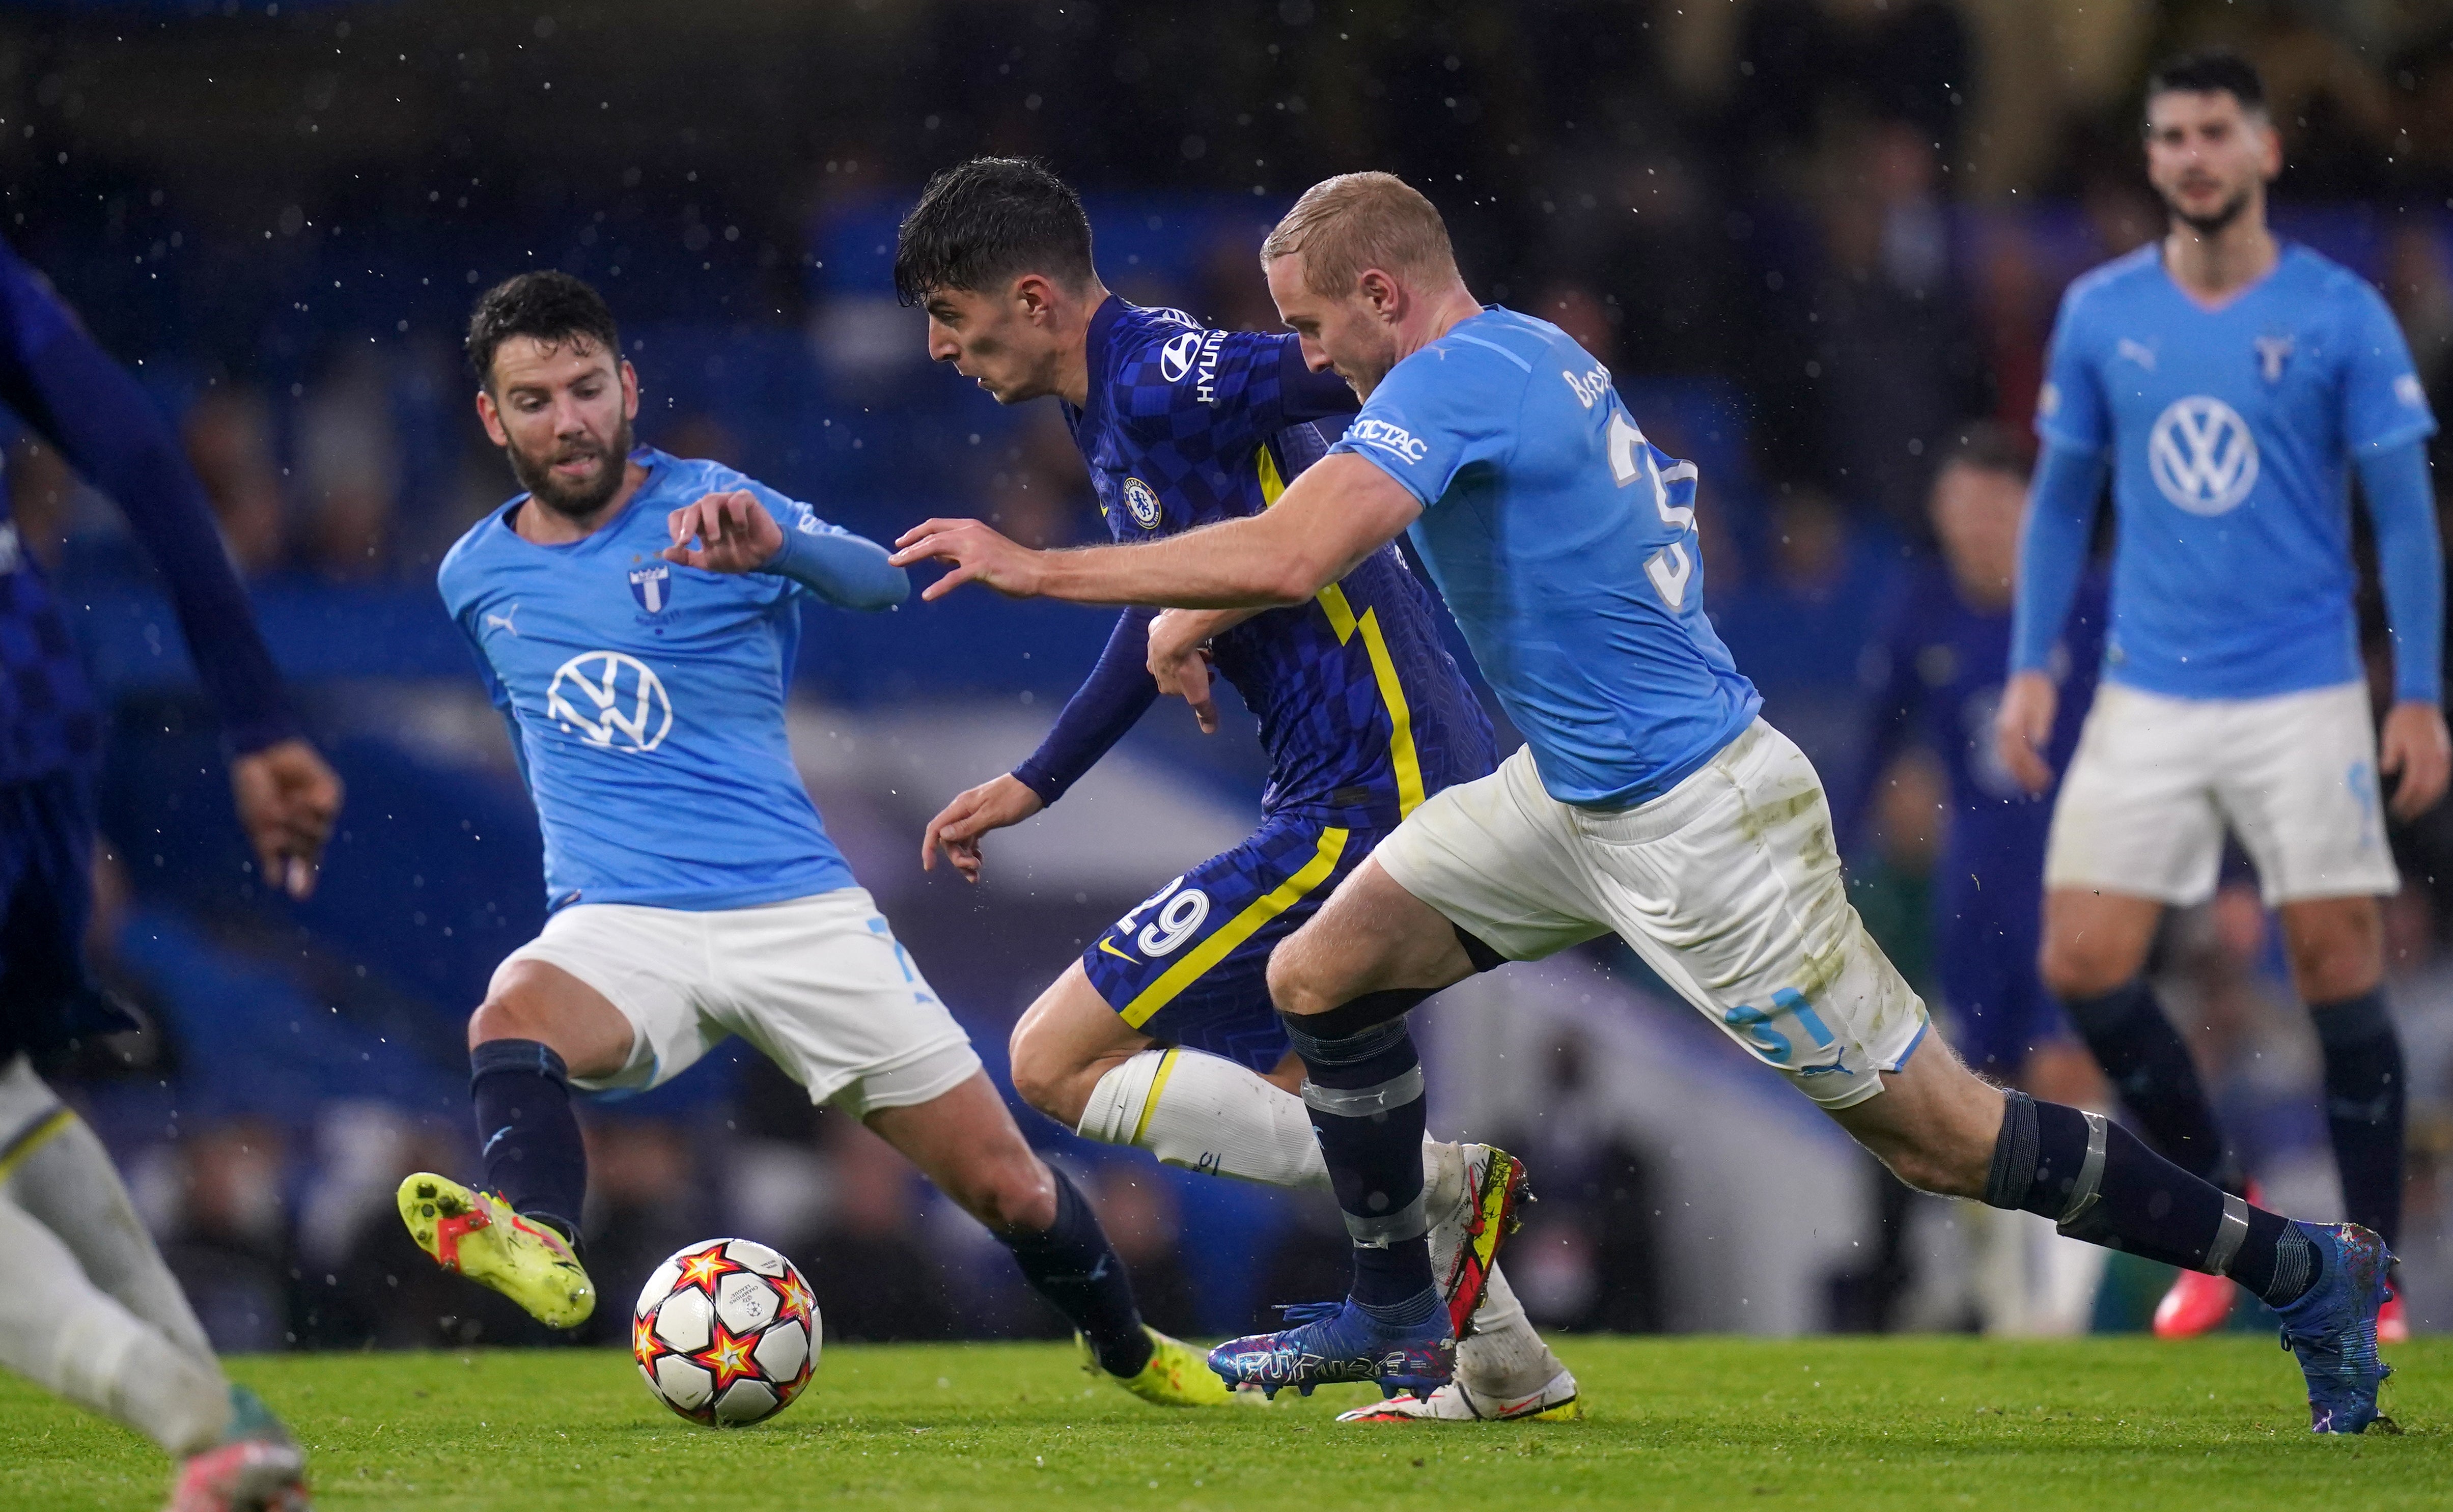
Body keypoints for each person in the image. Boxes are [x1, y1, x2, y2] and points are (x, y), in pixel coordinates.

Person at [893, 170, 2401, 1434]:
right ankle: (1401, 1315)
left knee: (1946, 1142)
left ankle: (2293, 1269)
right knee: (1319, 973)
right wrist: (1184, 612)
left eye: (1314, 329)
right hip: (1569, 795)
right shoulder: (1520, 358)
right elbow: (1327, 541)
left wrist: (1039, 567)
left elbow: (1296, 552)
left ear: (1386, 296)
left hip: (1700, 820)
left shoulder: (1457, 378)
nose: (1307, 363)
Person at [396, 270, 1225, 1410]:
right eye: (534, 400)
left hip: (793, 912)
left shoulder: (717, 501)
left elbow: (882, 584)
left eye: (587, 388)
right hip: (622, 917)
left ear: (627, 387)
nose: (568, 419)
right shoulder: (471, 575)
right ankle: (538, 1237)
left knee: (1007, 1189)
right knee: (511, 1014)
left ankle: (1130, 1349)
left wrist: (777, 545)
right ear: (494, 419)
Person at [893, 157, 1574, 1424]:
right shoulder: (1109, 401)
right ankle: (1510, 1369)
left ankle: (1438, 1197)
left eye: (950, 313)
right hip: (1355, 775)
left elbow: (1366, 359)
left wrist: (1463, 357)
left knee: (1050, 1059)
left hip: (1377, 782)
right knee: (1298, 1097)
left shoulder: (1162, 374)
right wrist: (1039, 781)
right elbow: (1165, 587)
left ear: (1032, 297)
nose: (940, 346)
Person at [1995, 52, 2446, 1343]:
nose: (2192, 156)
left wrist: (2416, 691)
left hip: (2304, 688)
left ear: (2264, 153)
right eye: (2172, 136)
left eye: (2215, 133)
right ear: (2152, 159)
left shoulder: (2339, 312)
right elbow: (2063, 500)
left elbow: (2404, 517)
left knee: (2336, 964)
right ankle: (2237, 1222)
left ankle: (2371, 1274)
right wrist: (2034, 665)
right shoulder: (2099, 314)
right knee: (2082, 964)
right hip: (2148, 690)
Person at [0, 235, 342, 1509]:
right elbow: (141, 455)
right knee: (4, 1093)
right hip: (32, 710)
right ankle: (231, 1424)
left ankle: (188, 1411)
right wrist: (258, 719)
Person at [1854, 425, 2107, 1097]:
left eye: (1995, 508)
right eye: (1961, 508)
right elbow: (1875, 744)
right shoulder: (1922, 611)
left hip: (2079, 876)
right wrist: (1834, 856)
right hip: (1971, 884)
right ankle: (1992, 1208)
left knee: (2064, 1078)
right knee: (1980, 1092)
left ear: (2034, 510)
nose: (1978, 529)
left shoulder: (2093, 609)